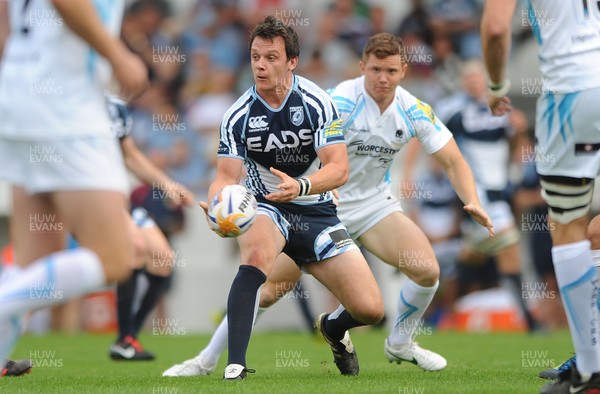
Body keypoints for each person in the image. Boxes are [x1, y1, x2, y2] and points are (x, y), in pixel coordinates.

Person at [163, 32, 493, 378]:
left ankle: (397, 342)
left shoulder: (412, 109)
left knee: (423, 273)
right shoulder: (337, 101)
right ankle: (207, 361)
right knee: (270, 285)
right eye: (376, 69)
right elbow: (296, 159)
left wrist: (472, 200)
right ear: (362, 66)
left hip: (369, 205)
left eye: (391, 71)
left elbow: (453, 160)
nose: (383, 78)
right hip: (312, 203)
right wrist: (235, 198)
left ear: (404, 71)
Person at [197, 16, 385, 380]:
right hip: (268, 206)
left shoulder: (317, 102)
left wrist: (301, 186)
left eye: (271, 58)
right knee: (254, 258)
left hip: (317, 211)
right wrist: (218, 207)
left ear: (292, 62)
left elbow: (338, 168)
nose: (261, 66)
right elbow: (224, 176)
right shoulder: (237, 115)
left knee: (371, 309)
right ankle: (235, 364)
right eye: (255, 57)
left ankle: (332, 328)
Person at [0, 0, 147, 372]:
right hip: (65, 107)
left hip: (20, 95)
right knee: (117, 256)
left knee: (35, 265)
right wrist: (118, 54)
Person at [481, 0, 600, 392]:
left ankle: (590, 367)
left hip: (573, 93)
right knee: (596, 234)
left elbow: (496, 27)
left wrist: (496, 85)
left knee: (567, 226)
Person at [440, 60, 538, 332]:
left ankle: (451, 257)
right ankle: (530, 321)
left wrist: (518, 132)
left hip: (500, 186)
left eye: (477, 76)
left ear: (486, 80)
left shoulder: (502, 109)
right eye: (468, 76)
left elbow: (516, 147)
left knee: (489, 249)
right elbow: (431, 141)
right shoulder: (453, 110)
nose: (473, 81)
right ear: (463, 81)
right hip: (476, 189)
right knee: (510, 244)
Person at [105, 96, 195, 361]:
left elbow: (130, 155)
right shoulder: (72, 100)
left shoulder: (115, 107)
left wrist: (168, 185)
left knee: (164, 258)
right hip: (89, 199)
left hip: (118, 199)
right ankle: (125, 339)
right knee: (136, 248)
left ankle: (127, 339)